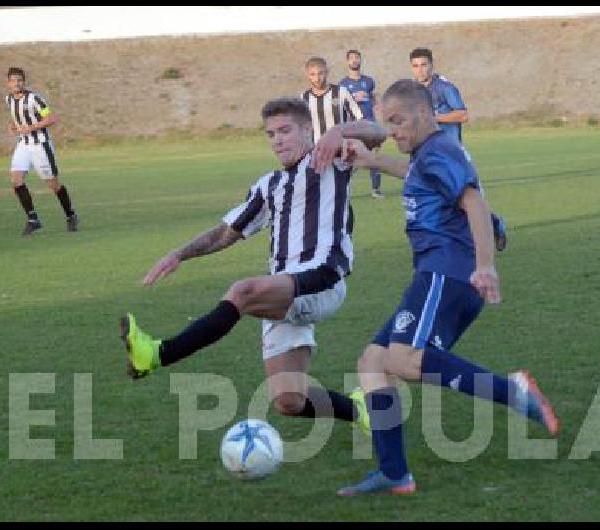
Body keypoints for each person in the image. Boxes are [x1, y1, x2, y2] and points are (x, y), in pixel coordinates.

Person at [332, 80, 558, 496]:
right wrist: (371, 161)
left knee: (402, 359)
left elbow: (473, 201)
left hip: (448, 272)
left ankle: (514, 391)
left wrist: (486, 266)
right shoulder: (429, 155)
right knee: (373, 362)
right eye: (388, 122)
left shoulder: (441, 149)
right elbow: (419, 175)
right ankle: (395, 472)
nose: (393, 130)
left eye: (398, 121)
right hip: (437, 274)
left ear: (424, 113)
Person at [120, 97, 385, 430]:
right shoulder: (268, 186)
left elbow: (378, 132)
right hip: (285, 290)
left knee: (242, 292)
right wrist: (178, 254)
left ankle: (157, 354)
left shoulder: (329, 160)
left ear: (307, 130)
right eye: (271, 133)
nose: (278, 139)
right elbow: (225, 234)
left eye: (285, 130)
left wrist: (339, 131)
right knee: (289, 400)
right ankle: (360, 411)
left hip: (322, 279)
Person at [409, 48, 507, 251]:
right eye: (415, 66)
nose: (420, 70)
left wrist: (434, 118)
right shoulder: (412, 93)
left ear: (432, 65)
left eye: (424, 65)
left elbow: (462, 114)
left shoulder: (445, 88)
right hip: (425, 155)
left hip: (451, 154)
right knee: (436, 202)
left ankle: (493, 224)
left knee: (467, 200)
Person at [4, 67, 78, 235]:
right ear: (8, 83)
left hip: (40, 145)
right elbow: (17, 118)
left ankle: (71, 215)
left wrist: (30, 127)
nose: (16, 83)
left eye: (19, 80)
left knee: (53, 185)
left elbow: (51, 118)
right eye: (13, 80)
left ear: (23, 81)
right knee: (16, 180)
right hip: (24, 144)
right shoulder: (9, 99)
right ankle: (33, 219)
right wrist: (13, 126)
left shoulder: (34, 99)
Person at [339, 49, 384, 199]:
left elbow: (372, 97)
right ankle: (343, 189)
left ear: (360, 60)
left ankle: (376, 190)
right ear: (347, 62)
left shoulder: (369, 81)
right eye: (351, 58)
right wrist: (352, 98)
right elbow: (340, 104)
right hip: (355, 127)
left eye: (357, 58)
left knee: (374, 158)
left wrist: (377, 104)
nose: (354, 61)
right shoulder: (343, 84)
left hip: (371, 125)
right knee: (353, 159)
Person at [301, 57, 363, 144]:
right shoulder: (304, 98)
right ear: (307, 75)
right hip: (315, 150)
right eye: (312, 74)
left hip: (340, 148)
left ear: (326, 72)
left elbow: (358, 117)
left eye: (320, 73)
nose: (317, 78)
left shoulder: (341, 92)